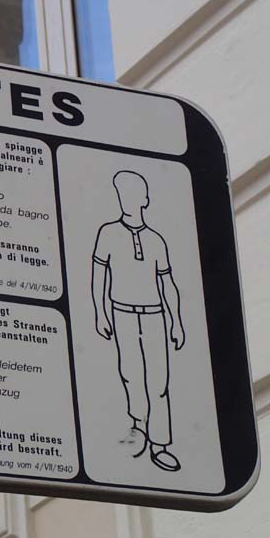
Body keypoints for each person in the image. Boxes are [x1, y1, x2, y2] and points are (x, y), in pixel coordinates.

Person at [91, 170, 185, 472]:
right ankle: (139, 426)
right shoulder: (108, 233)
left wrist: (176, 321)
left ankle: (160, 444)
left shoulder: (156, 240)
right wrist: (100, 312)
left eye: (133, 195)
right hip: (122, 313)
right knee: (130, 373)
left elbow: (167, 283)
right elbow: (99, 275)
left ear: (145, 199)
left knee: (158, 380)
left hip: (154, 315)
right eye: (122, 194)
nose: (127, 200)